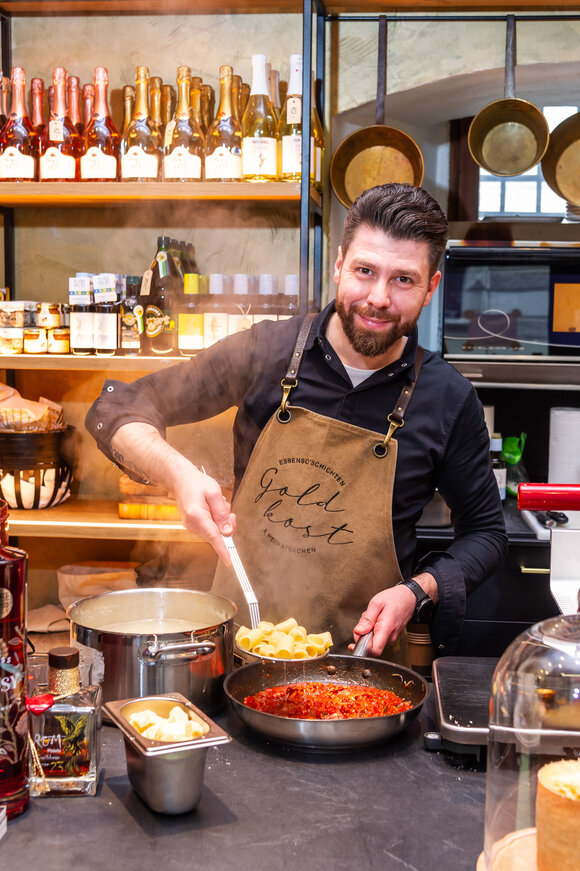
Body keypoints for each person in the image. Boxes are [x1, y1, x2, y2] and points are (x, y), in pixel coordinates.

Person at [86, 183, 508, 663]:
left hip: (364, 668)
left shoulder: (448, 399)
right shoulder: (265, 351)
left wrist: (417, 589)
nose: (378, 298)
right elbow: (116, 408)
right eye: (364, 271)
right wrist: (178, 473)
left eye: (403, 280)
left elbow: (486, 535)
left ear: (431, 287)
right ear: (338, 264)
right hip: (237, 656)